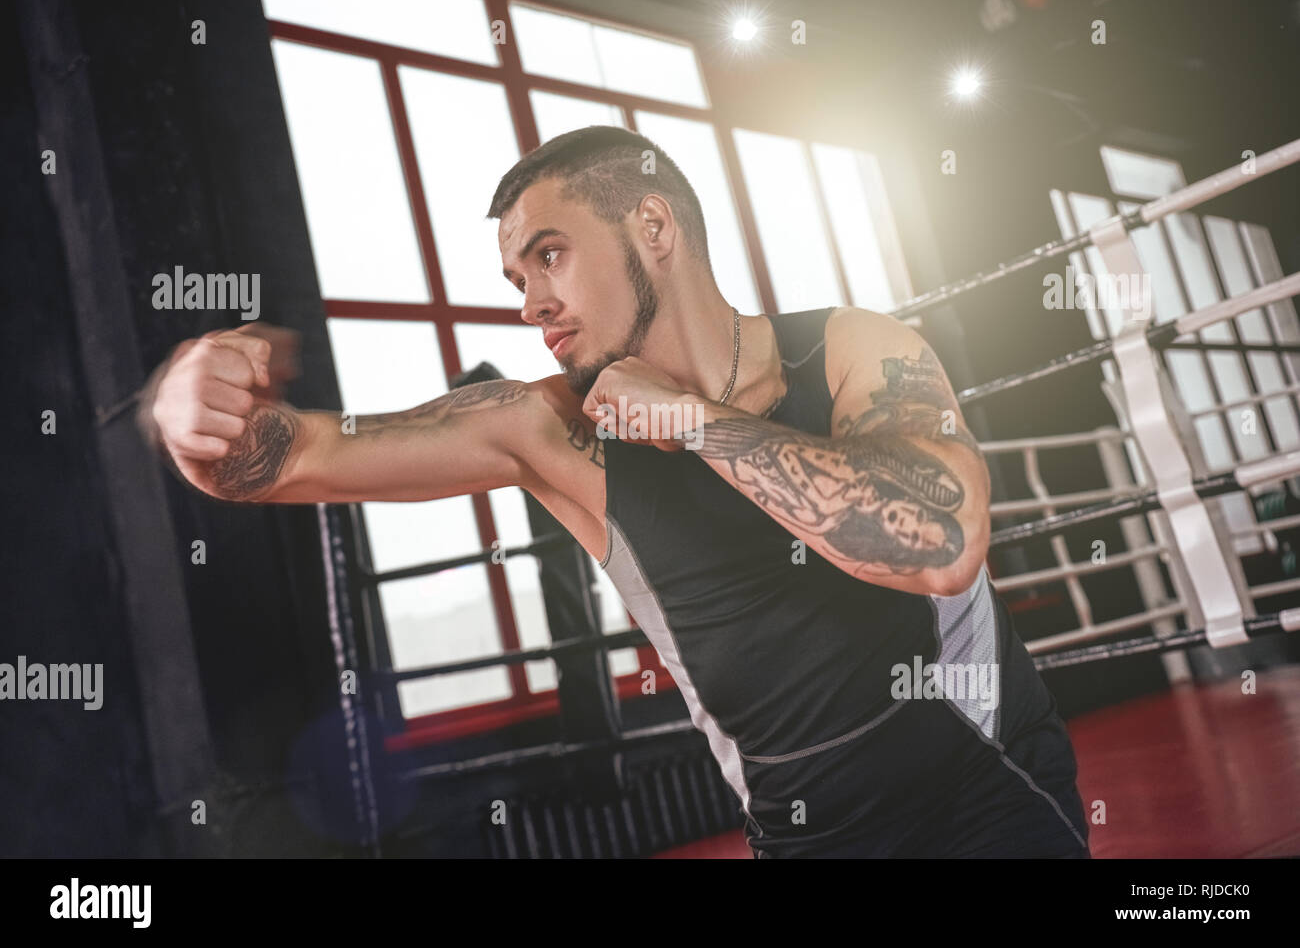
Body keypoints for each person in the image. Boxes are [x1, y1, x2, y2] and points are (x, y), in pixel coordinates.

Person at [141, 125, 1090, 857]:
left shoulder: (849, 349)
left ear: (654, 225)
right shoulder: (552, 430)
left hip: (989, 795)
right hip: (806, 838)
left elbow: (939, 539)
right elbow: (289, 458)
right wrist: (191, 409)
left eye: (549, 255)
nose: (529, 304)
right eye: (516, 278)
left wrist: (691, 421)